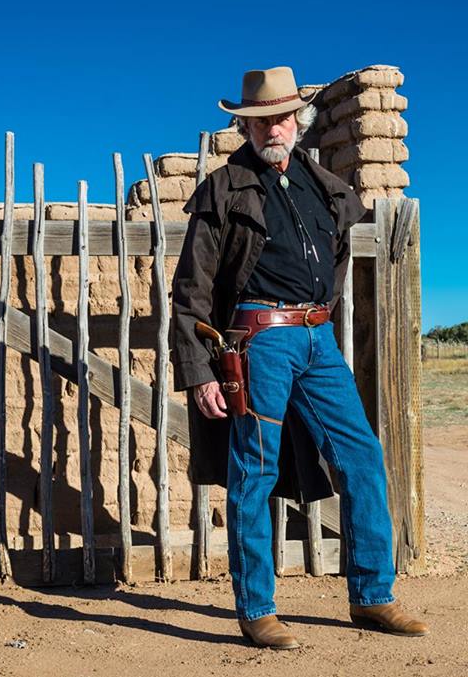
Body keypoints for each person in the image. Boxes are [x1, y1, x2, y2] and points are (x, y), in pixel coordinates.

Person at [170, 66, 428, 649]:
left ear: (299, 119)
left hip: (318, 339)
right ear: (245, 125)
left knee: (361, 456)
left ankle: (373, 596)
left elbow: (334, 258)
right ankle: (257, 609)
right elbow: (190, 288)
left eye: (280, 117)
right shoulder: (224, 187)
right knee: (255, 470)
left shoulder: (325, 186)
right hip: (260, 339)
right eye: (257, 121)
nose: (270, 129)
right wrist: (200, 371)